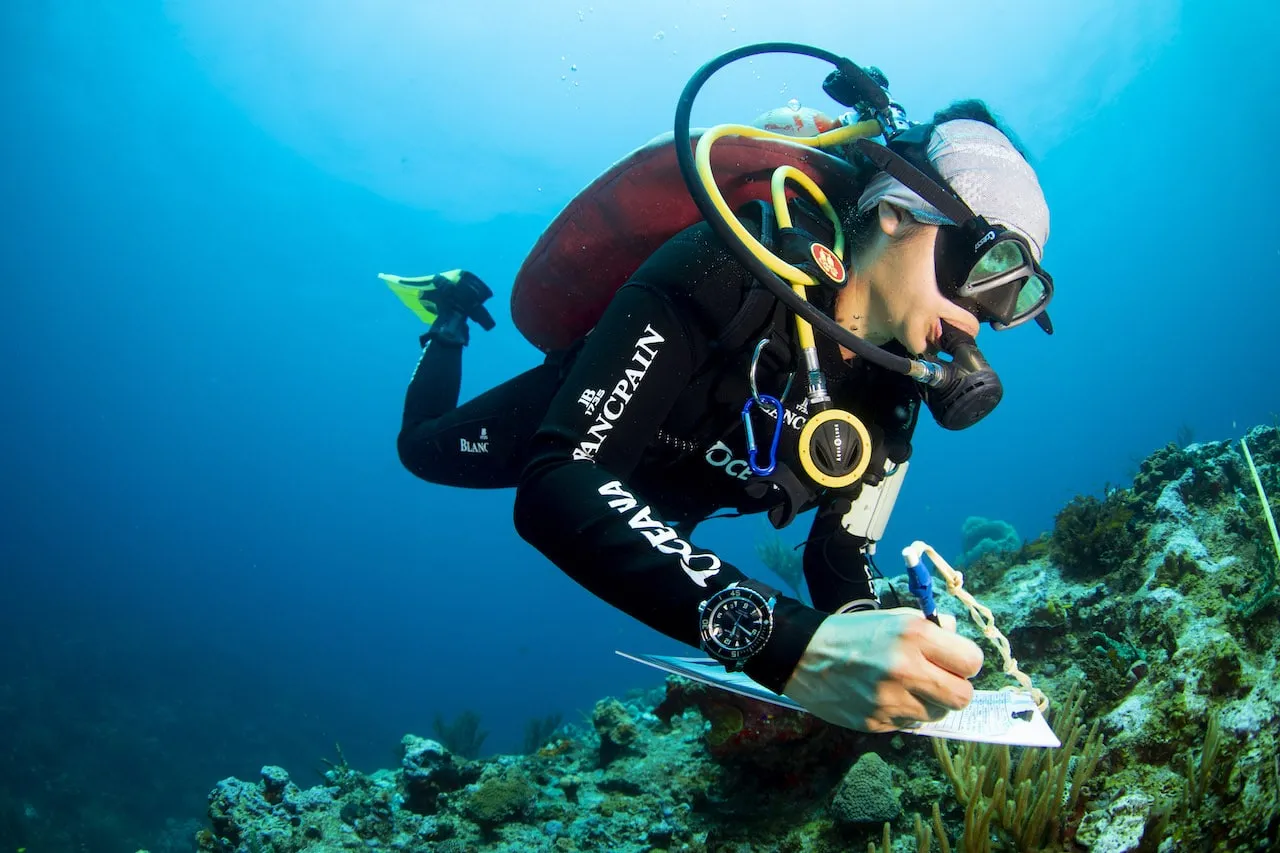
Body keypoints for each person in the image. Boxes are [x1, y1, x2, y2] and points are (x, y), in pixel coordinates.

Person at [387, 54, 1053, 734]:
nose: (982, 319)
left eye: (1017, 298)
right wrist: (791, 643)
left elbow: (838, 551)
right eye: (988, 266)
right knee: (422, 451)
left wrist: (875, 630)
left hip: (661, 507)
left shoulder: (895, 398)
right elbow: (561, 481)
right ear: (900, 210)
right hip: (582, 423)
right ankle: (450, 315)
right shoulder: (727, 266)